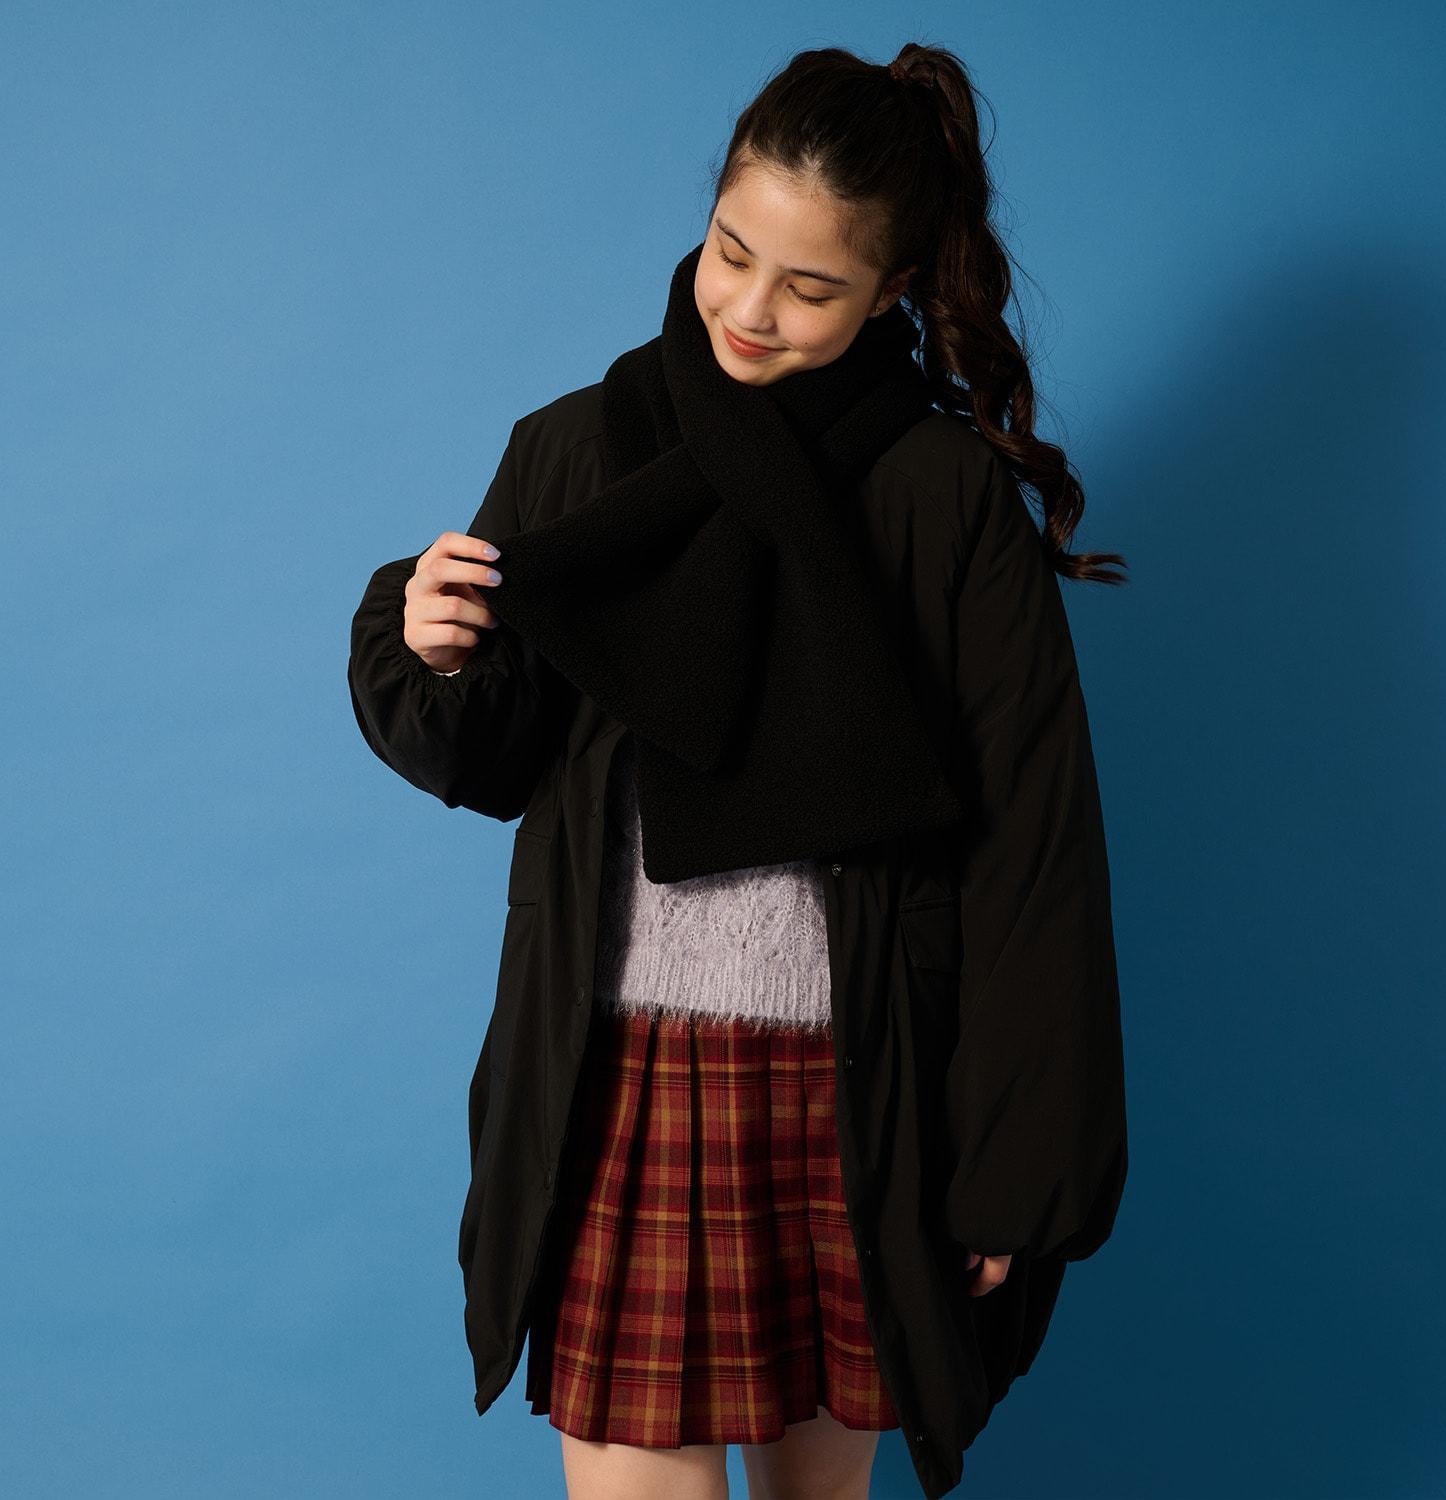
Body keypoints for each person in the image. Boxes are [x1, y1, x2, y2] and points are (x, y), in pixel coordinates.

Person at [348, 41, 1129, 1500]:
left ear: (892, 293)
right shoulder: (579, 450)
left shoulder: (940, 496)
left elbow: (1033, 838)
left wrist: (1017, 1161)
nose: (751, 311)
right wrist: (432, 645)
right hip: (616, 1075)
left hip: (859, 1088)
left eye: (811, 288)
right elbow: (495, 755)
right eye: (730, 253)